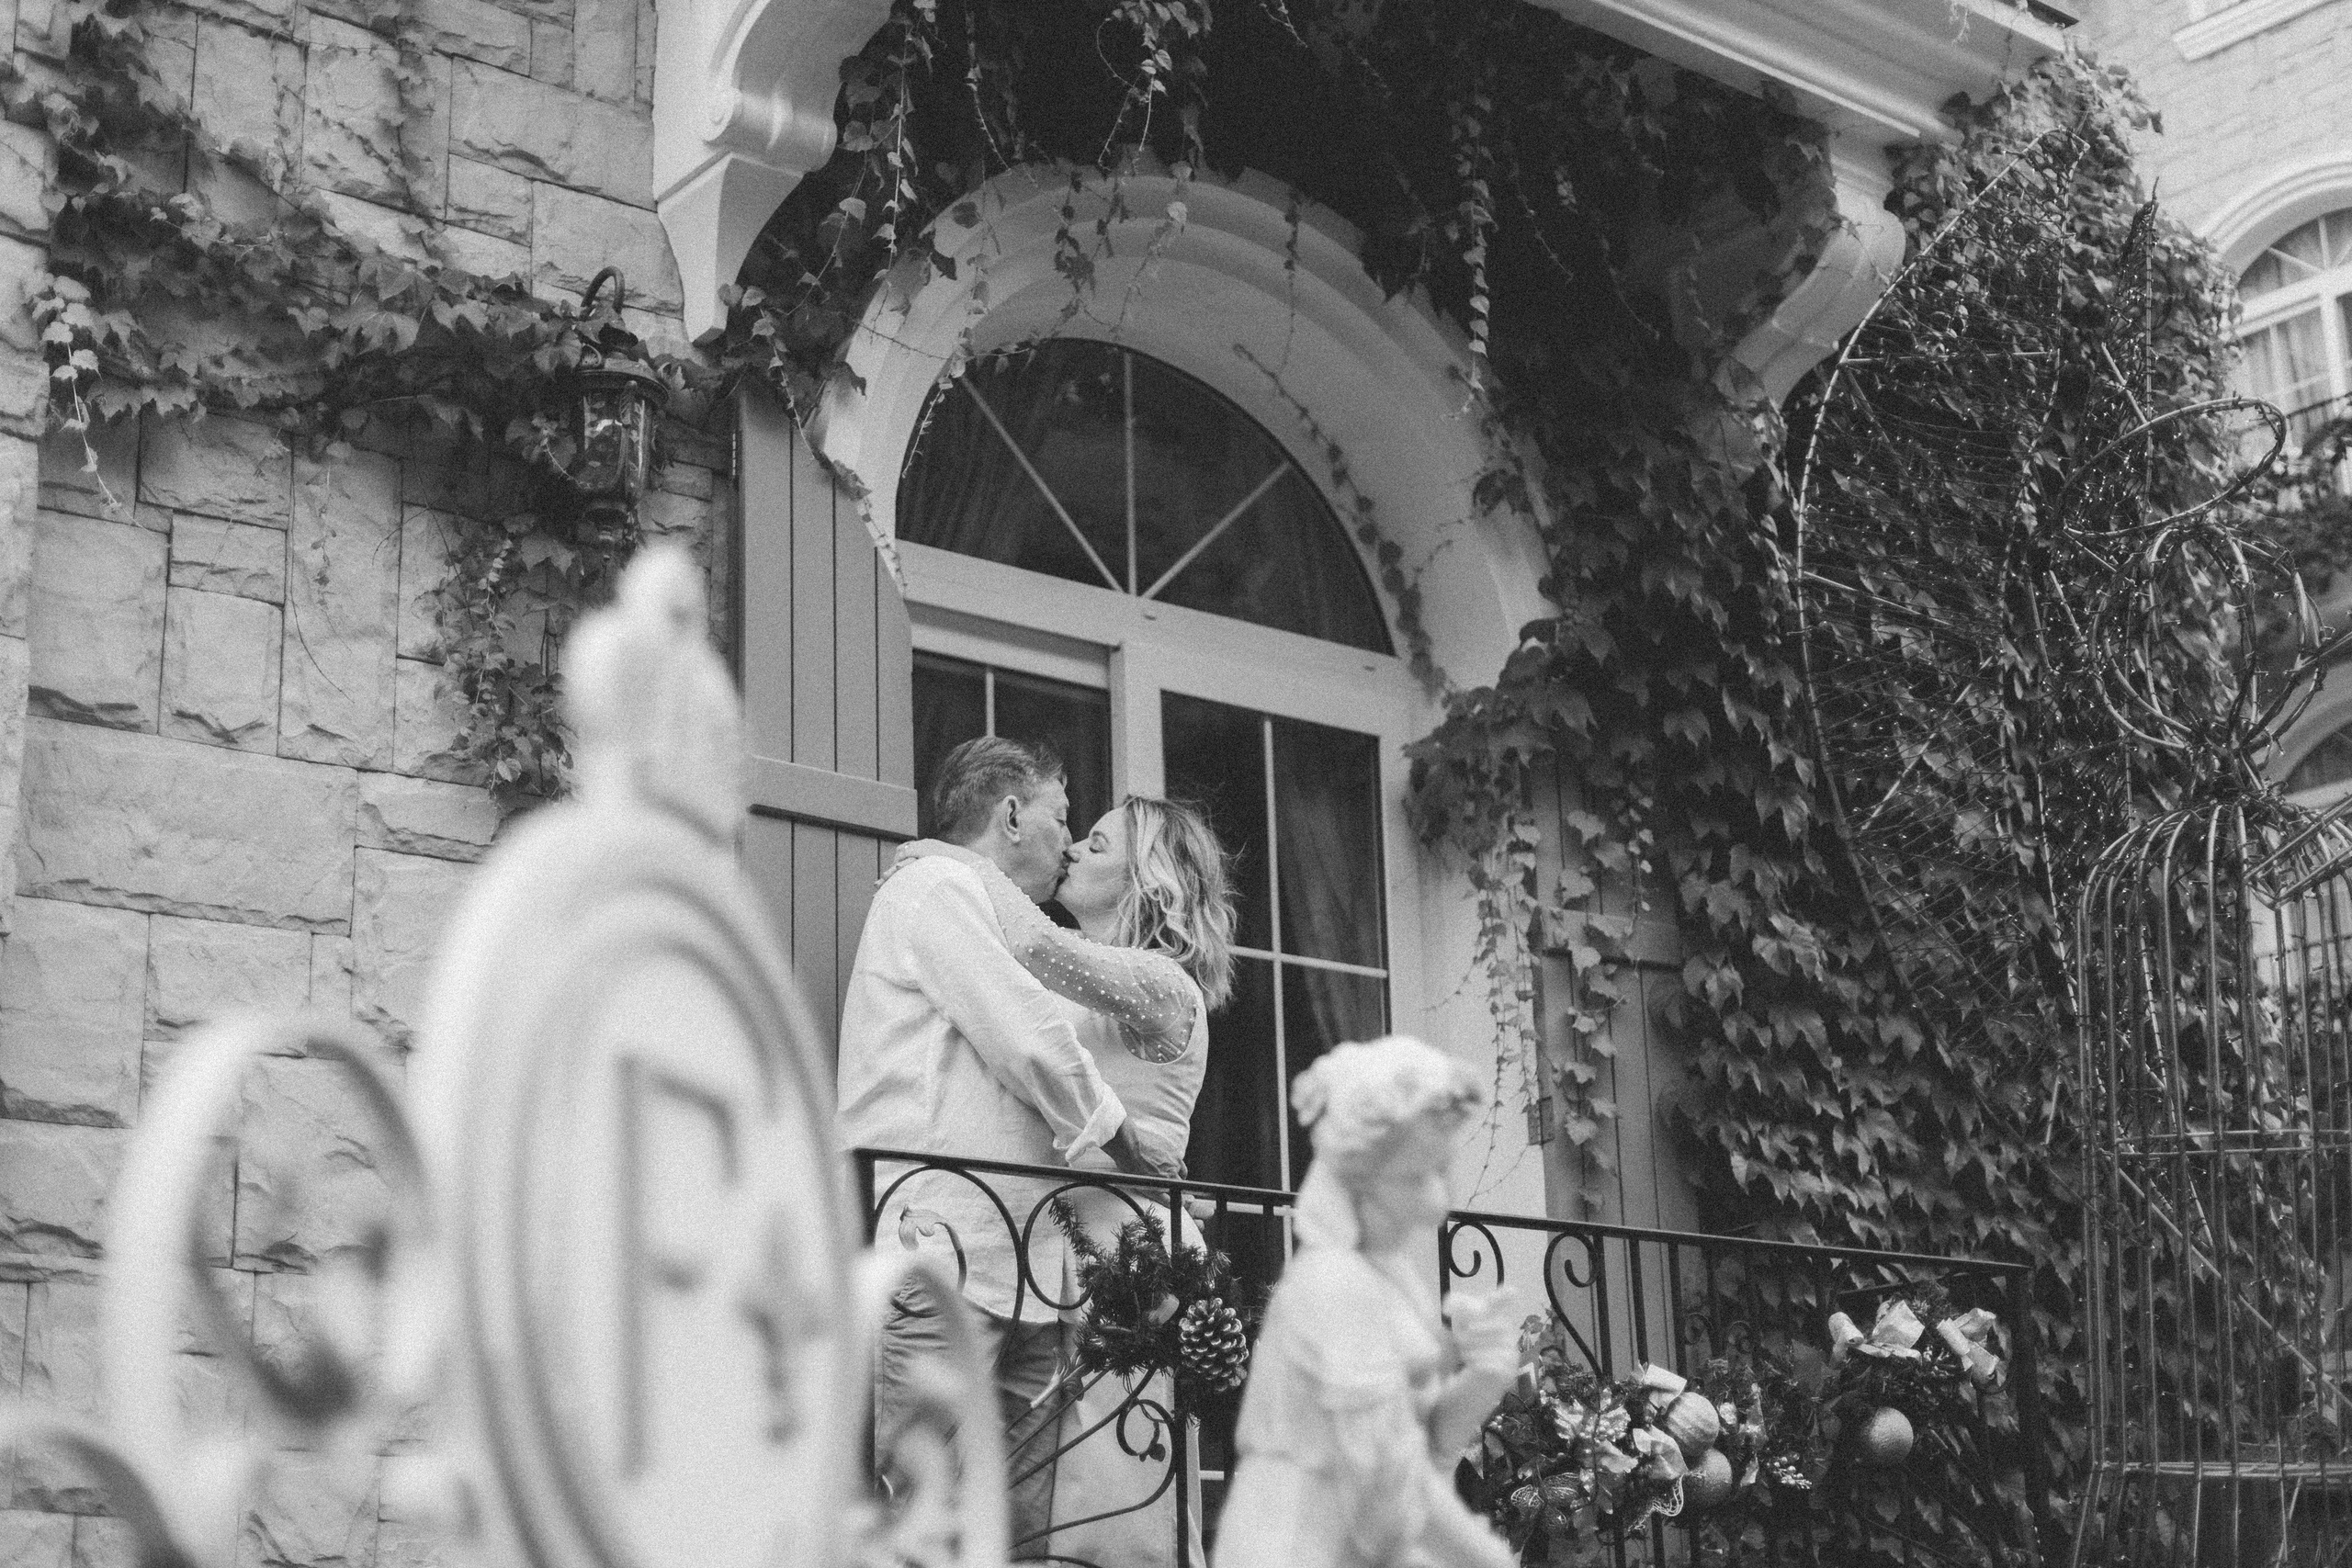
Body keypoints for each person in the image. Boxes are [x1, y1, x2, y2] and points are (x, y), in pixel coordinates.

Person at [898, 795, 1237, 1565]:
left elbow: (1035, 946)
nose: (1075, 850)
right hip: (1058, 1254)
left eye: (1098, 842)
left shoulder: (1164, 985)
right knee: (1034, 1514)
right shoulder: (1081, 992)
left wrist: (953, 857)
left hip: (1126, 1262)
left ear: (1149, 880)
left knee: (1108, 1512)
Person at [839, 737, 1158, 1557]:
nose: (1066, 837)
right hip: (943, 1268)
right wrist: (1126, 1144)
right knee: (922, 1529)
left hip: (1028, 1278)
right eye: (1060, 814)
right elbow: (1028, 1035)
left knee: (1016, 1539)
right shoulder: (933, 887)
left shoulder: (975, 903)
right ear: (1011, 815)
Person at [1212, 1036, 1521, 1568]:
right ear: (1358, 1179)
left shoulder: (1390, 1277)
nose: (1438, 1199)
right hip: (1295, 1543)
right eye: (1417, 1174)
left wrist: (1484, 1377)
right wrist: (1486, 1558)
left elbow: (1423, 1445)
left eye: (1444, 1168)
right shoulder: (1333, 1285)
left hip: (1357, 1536)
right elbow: (1388, 1474)